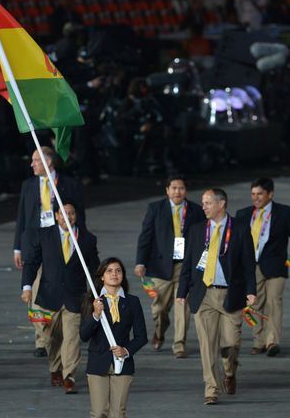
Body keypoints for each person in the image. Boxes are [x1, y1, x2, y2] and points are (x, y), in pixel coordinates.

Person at [176, 188, 256, 405]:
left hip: (232, 294)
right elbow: (188, 264)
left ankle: (229, 372)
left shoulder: (239, 228)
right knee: (207, 345)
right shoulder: (196, 229)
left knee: (230, 344)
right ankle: (211, 388)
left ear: (221, 204)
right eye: (203, 203)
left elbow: (249, 263)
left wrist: (251, 290)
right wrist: (182, 292)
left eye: (208, 203)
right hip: (203, 295)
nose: (204, 207)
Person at [14, 146, 85, 358]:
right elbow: (22, 217)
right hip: (34, 243)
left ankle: (59, 332)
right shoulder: (28, 185)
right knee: (35, 291)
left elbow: (79, 214)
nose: (32, 164)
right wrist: (18, 247)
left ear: (49, 161)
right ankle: (41, 339)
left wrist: (81, 241)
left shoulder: (68, 184)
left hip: (60, 241)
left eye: (36, 160)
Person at [21, 201, 99, 394]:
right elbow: (31, 263)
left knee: (72, 338)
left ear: (76, 216)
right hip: (50, 296)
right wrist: (27, 287)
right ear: (56, 216)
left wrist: (98, 293)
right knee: (52, 338)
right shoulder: (44, 235)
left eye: (71, 213)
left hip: (75, 297)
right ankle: (55, 368)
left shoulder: (87, 239)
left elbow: (94, 268)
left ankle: (69, 375)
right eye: (63, 214)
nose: (68, 217)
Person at [235, 177, 290, 357]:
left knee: (274, 302)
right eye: (253, 194)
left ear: (270, 194)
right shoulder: (243, 214)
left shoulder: (283, 212)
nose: (256, 198)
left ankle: (272, 342)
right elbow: (235, 240)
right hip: (251, 267)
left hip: (275, 266)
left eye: (260, 194)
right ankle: (258, 341)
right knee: (254, 304)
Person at [134, 176, 204, 357]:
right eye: (173, 188)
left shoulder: (196, 210)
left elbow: (202, 239)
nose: (177, 192)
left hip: (185, 267)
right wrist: (140, 261)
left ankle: (179, 344)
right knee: (159, 309)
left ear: (186, 190)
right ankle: (159, 332)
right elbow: (145, 236)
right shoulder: (155, 209)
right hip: (160, 267)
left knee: (183, 307)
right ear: (167, 190)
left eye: (181, 188)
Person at [80, 257, 147, 418]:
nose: (114, 274)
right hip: (98, 363)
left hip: (123, 364)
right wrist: (96, 314)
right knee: (98, 412)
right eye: (109, 271)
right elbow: (84, 335)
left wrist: (126, 350)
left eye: (118, 271)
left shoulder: (132, 302)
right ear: (102, 276)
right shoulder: (92, 300)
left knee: (118, 413)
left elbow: (141, 336)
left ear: (123, 275)